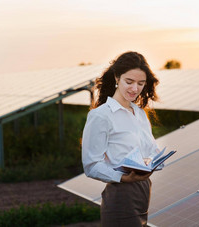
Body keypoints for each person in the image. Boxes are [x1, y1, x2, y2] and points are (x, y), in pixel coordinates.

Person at [82, 51, 160, 227]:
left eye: (141, 83)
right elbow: (91, 165)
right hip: (121, 194)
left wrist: (151, 162)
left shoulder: (140, 114)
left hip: (143, 190)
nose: (135, 89)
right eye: (129, 82)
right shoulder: (101, 116)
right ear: (117, 77)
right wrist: (123, 178)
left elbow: (151, 150)